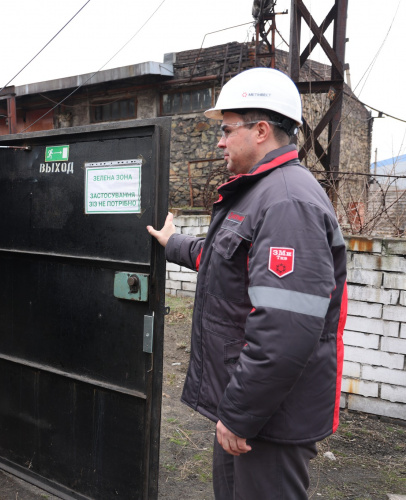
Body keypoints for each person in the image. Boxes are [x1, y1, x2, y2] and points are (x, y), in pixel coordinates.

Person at [147, 67, 348, 499]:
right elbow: (222, 259)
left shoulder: (287, 202)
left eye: (226, 129)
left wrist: (239, 414)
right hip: (253, 411)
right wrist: (172, 243)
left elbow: (285, 331)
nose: (219, 140)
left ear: (260, 131)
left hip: (269, 420)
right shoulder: (260, 193)